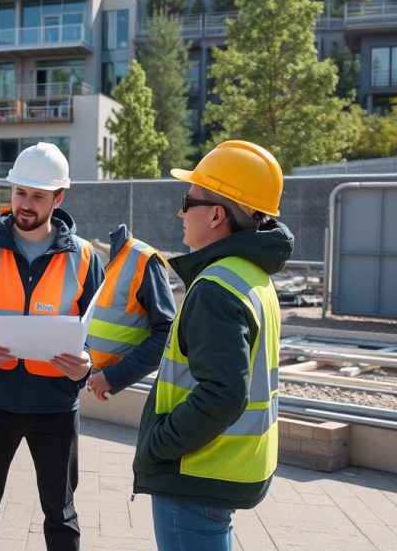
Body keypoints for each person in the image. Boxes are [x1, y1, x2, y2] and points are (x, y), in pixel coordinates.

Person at [132, 140, 293, 551]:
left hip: (195, 471)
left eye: (189, 201)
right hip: (228, 468)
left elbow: (223, 395)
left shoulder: (216, 288)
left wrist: (159, 446)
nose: (180, 212)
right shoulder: (253, 277)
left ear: (217, 214)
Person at [0, 142, 104, 551]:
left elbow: (101, 332)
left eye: (37, 196)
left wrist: (87, 363)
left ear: (59, 197)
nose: (26, 204)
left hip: (54, 405)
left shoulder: (84, 257)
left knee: (61, 512)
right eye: (20, 193)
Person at [85, 225, 176, 401]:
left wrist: (114, 377)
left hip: (124, 386)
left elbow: (168, 335)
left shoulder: (142, 259)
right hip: (93, 385)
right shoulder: (84, 256)